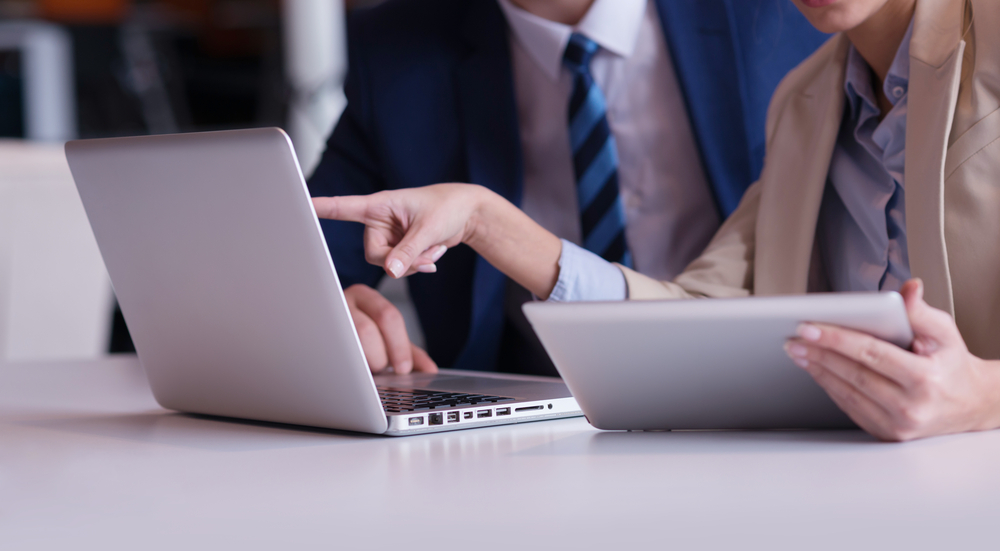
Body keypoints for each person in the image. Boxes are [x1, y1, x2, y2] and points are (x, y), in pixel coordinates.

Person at [313, 0, 1000, 441]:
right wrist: (488, 222)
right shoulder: (807, 104)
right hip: (763, 462)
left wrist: (984, 398)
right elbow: (696, 309)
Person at [308, 0, 826, 376]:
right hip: (530, 416)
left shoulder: (778, 14)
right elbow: (305, 256)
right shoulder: (399, 50)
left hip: (751, 384)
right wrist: (332, 312)